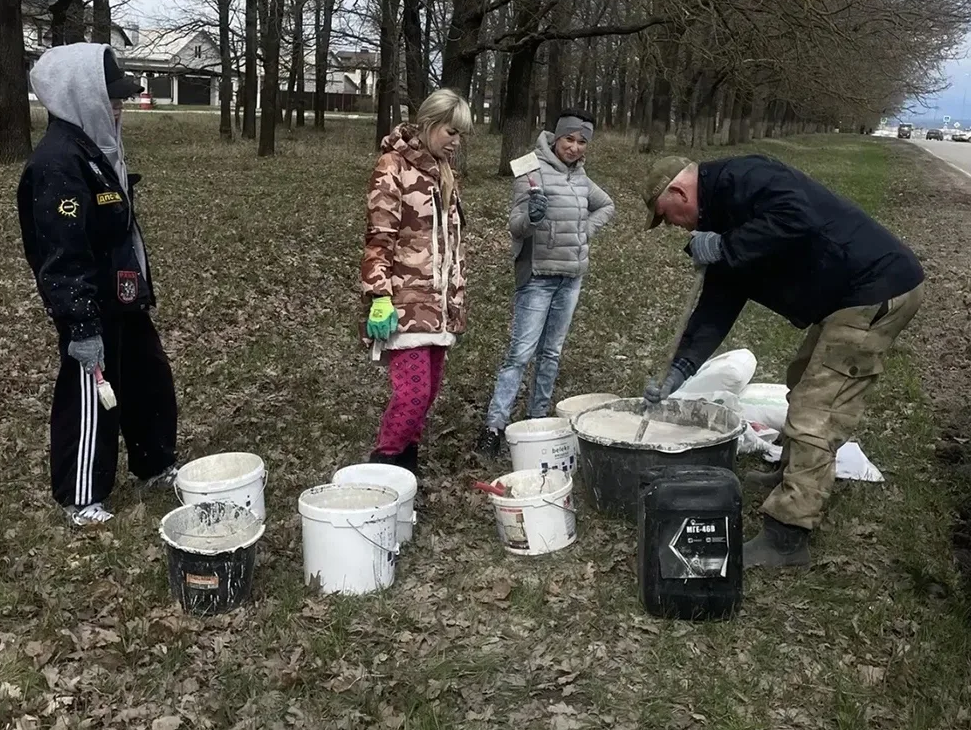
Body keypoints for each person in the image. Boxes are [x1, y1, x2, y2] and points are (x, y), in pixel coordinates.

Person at [640, 154, 924, 568]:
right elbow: (716, 305)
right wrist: (679, 371)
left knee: (818, 409)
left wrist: (725, 246)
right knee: (802, 376)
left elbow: (798, 218)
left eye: (669, 217)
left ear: (680, 192)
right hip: (845, 295)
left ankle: (787, 535)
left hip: (876, 287)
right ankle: (792, 471)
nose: (676, 227)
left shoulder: (747, 177)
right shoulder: (719, 215)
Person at [17, 44, 179, 527]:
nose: (119, 105)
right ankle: (82, 494)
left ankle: (154, 464)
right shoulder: (57, 164)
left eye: (121, 96)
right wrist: (81, 326)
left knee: (148, 379)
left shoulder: (96, 150)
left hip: (124, 299)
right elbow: (61, 254)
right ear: (78, 94)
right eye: (110, 96)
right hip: (91, 308)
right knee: (91, 397)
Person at [475, 111, 615, 456]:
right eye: (569, 139)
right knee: (520, 354)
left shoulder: (581, 177)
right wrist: (534, 217)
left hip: (571, 277)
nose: (574, 147)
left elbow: (607, 206)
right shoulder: (530, 169)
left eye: (582, 142)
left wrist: (586, 230)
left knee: (551, 353)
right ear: (555, 138)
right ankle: (495, 426)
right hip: (537, 277)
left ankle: (537, 419)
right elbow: (516, 226)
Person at [361, 89, 473, 475]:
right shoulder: (392, 166)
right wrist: (379, 295)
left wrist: (455, 297)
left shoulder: (444, 173)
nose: (457, 142)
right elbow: (379, 236)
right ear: (428, 125)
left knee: (428, 395)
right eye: (451, 132)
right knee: (412, 395)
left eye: (461, 135)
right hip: (405, 302)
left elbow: (450, 244)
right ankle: (384, 463)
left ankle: (406, 466)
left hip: (440, 305)